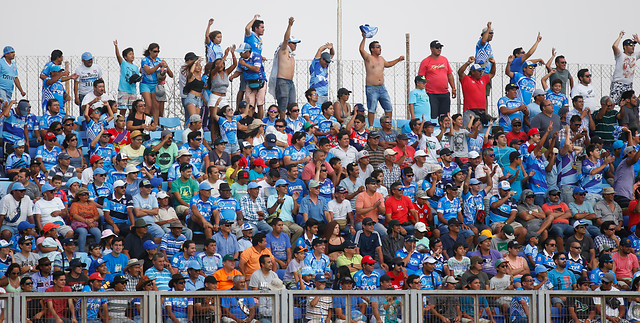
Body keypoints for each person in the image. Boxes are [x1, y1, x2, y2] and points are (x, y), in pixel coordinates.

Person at [359, 32, 404, 127]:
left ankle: (388, 125)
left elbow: (388, 64)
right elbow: (361, 49)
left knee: (388, 108)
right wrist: (364, 38)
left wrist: (398, 59)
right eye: (378, 46)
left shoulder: (381, 59)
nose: (380, 48)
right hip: (372, 88)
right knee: (372, 109)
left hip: (382, 88)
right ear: (372, 49)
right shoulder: (368, 58)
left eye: (380, 46)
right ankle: (371, 127)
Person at [458, 56, 496, 127]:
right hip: (469, 111)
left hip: (481, 113)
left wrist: (493, 64)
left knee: (479, 135)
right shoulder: (466, 79)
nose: (481, 72)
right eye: (479, 71)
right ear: (472, 72)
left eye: (481, 71)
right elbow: (460, 72)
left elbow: (492, 74)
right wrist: (468, 62)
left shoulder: (483, 79)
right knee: (467, 132)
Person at [610, 31, 640, 104]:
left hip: (628, 84)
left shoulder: (634, 56)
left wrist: (638, 41)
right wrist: (620, 36)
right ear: (625, 47)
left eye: (634, 45)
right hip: (618, 83)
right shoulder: (620, 55)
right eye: (630, 45)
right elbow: (614, 46)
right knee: (613, 103)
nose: (633, 47)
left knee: (628, 104)